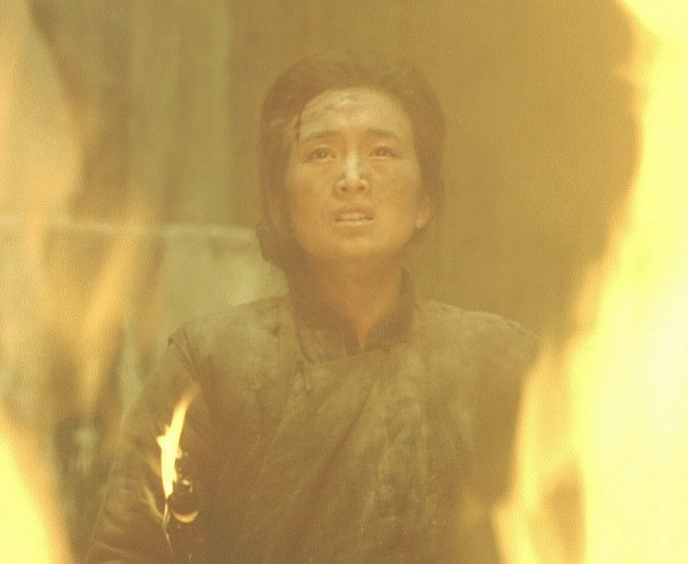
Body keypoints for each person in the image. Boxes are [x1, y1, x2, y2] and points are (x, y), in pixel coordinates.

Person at [86, 51, 538, 563]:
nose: (352, 178)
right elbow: (129, 551)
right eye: (321, 154)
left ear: (425, 200)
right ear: (281, 203)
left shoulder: (498, 362)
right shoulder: (211, 364)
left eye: (382, 152)